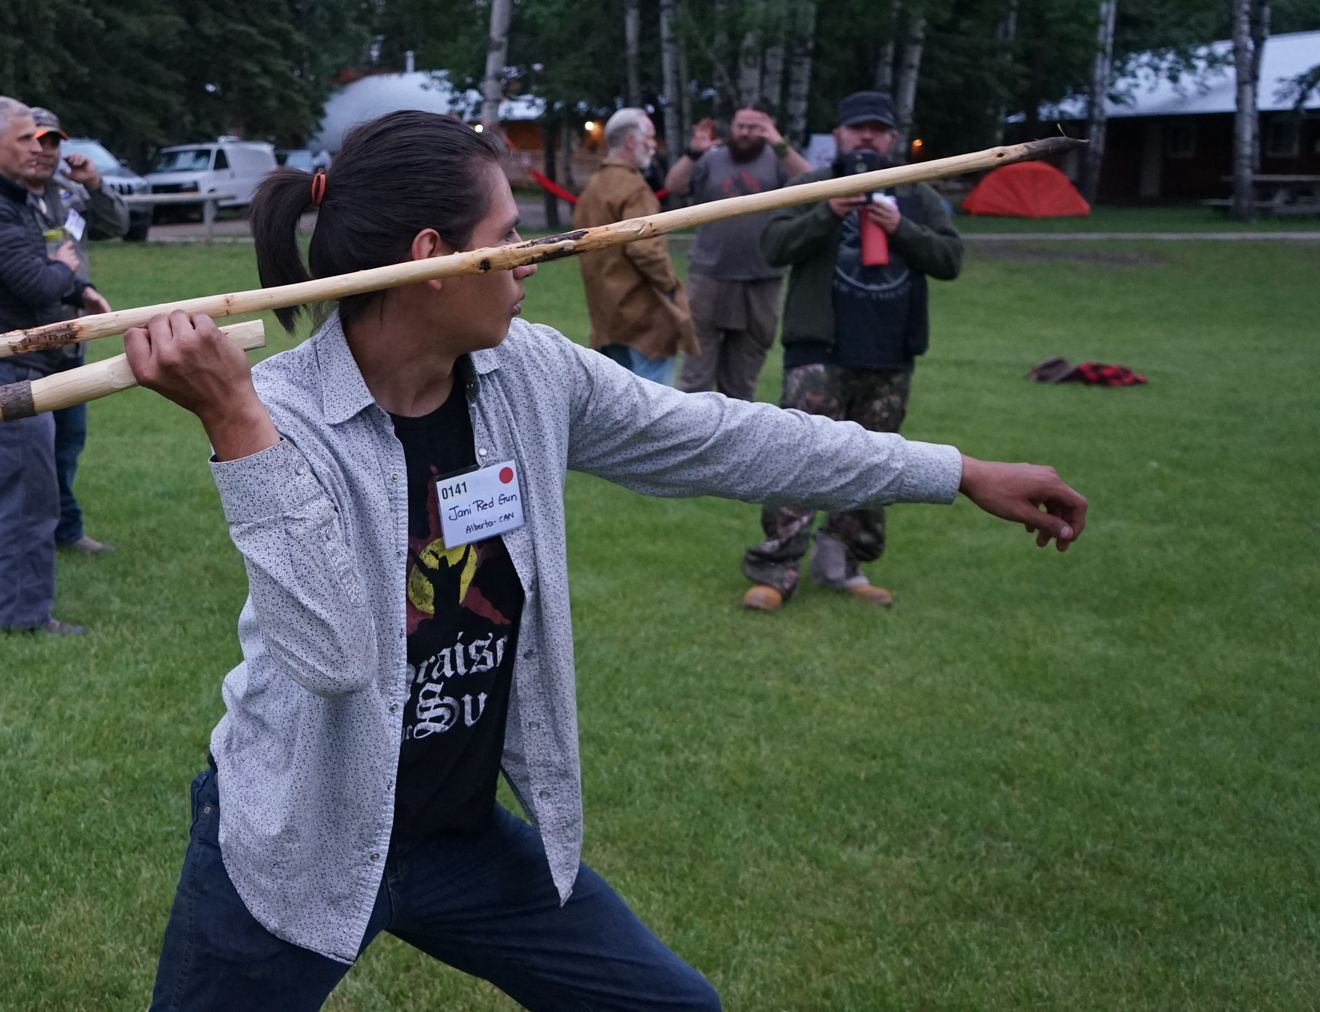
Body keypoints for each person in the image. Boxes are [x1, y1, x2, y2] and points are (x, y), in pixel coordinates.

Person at [121, 110, 1085, 1009]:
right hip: (300, 838)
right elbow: (334, 659)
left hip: (455, 836)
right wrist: (234, 422)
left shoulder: (530, 372)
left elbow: (726, 438)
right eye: (514, 234)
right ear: (437, 260)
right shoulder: (280, 415)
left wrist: (955, 471)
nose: (538, 259)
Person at [741, 90, 965, 613]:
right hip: (819, 351)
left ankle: (844, 564)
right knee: (797, 457)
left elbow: (951, 257)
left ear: (891, 138)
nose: (868, 137)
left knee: (875, 464)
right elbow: (772, 248)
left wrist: (901, 229)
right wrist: (826, 213)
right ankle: (777, 568)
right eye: (858, 128)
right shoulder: (811, 186)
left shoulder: (915, 193)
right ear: (838, 135)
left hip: (888, 355)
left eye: (878, 130)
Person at [0, 95, 106, 635]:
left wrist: (77, 287)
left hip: (4, 361)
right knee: (26, 497)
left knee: (0, 488)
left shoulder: (3, 196)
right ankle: (25, 617)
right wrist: (64, 269)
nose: (36, 147)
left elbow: (36, 270)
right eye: (23, 139)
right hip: (5, 366)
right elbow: (36, 280)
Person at [20, 106, 121, 556]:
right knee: (33, 447)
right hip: (25, 342)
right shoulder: (9, 202)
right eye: (36, 140)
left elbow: (118, 226)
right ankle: (39, 530)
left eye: (53, 141)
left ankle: (61, 528)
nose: (45, 151)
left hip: (71, 340)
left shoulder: (68, 194)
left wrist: (95, 185)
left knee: (68, 441)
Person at [664, 104, 812, 401]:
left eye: (755, 126)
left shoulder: (777, 161)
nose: (745, 132)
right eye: (740, 125)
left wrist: (779, 143)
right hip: (709, 276)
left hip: (762, 279)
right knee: (695, 378)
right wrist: (693, 152)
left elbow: (814, 184)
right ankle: (689, 441)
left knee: (742, 382)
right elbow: (674, 185)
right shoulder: (712, 159)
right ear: (731, 127)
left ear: (769, 129)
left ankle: (735, 445)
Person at [572, 107, 696, 384]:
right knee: (657, 412)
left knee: (618, 410)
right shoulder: (634, 188)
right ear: (630, 141)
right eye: (649, 137)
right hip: (643, 319)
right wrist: (669, 287)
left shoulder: (594, 186)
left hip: (607, 316)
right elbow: (645, 249)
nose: (654, 144)